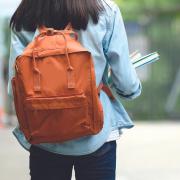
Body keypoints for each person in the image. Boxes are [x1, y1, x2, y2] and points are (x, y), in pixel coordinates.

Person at [8, 0, 142, 179]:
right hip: (96, 136)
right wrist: (130, 89)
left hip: (43, 135)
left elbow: (15, 88)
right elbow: (126, 83)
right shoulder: (105, 11)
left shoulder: (26, 13)